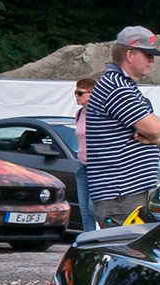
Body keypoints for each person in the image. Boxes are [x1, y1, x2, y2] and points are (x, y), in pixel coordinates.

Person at [84, 26, 160, 227]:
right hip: (120, 196)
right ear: (130, 54)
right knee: (126, 255)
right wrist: (156, 137)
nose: (152, 60)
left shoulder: (124, 86)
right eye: (148, 54)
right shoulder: (116, 88)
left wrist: (157, 137)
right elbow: (156, 129)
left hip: (125, 195)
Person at [73, 77, 97, 231]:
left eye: (80, 93)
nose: (76, 96)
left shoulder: (99, 114)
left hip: (97, 166)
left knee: (93, 208)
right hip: (82, 164)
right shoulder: (79, 113)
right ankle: (89, 239)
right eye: (75, 93)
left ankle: (102, 237)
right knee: (84, 209)